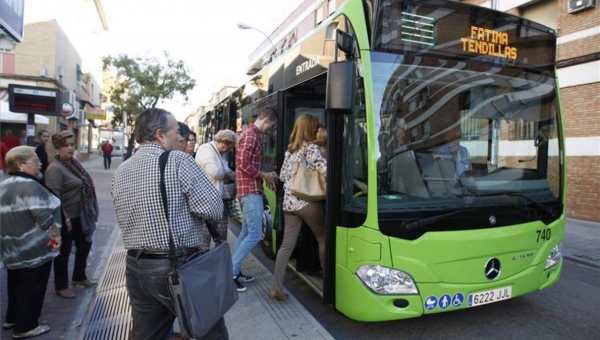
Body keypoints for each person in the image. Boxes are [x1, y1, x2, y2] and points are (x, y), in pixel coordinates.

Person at [111, 108, 226, 340]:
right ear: (160, 134)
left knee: (148, 335)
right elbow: (213, 209)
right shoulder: (177, 159)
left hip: (136, 266)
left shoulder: (122, 169)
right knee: (209, 331)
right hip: (177, 265)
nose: (181, 137)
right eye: (176, 131)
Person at [0, 146, 62, 338]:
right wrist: (56, 235)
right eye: (35, 161)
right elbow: (42, 217)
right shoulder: (30, 185)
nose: (40, 164)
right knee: (32, 285)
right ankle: (25, 326)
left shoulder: (5, 183)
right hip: (34, 247)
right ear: (20, 164)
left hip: (11, 246)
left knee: (15, 282)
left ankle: (12, 318)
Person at [268, 114, 327, 302]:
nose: (318, 130)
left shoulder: (290, 150)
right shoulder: (312, 149)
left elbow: (283, 177)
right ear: (310, 129)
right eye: (316, 127)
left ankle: (276, 287)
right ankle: (329, 283)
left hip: (289, 204)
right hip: (307, 203)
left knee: (286, 245)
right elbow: (328, 171)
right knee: (323, 238)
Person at [45, 131, 99, 299]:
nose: (70, 149)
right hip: (65, 216)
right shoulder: (55, 169)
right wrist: (65, 218)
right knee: (64, 252)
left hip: (79, 215)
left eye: (71, 145)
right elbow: (54, 199)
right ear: (57, 148)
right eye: (65, 145)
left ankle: (79, 276)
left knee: (84, 245)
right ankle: (61, 286)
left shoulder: (73, 164)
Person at [231, 107, 278, 292]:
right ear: (266, 120)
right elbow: (243, 164)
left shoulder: (250, 134)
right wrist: (264, 174)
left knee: (245, 233)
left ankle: (234, 270)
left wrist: (263, 176)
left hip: (249, 191)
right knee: (254, 234)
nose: (270, 129)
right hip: (250, 192)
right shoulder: (251, 135)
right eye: (271, 125)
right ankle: (231, 273)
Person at [195, 129, 238, 250]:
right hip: (206, 200)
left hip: (218, 199)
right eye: (229, 145)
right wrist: (228, 175)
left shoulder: (218, 152)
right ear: (224, 142)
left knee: (221, 234)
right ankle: (203, 262)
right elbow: (214, 171)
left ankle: (219, 260)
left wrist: (232, 173)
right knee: (206, 235)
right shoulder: (206, 149)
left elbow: (224, 168)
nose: (229, 148)